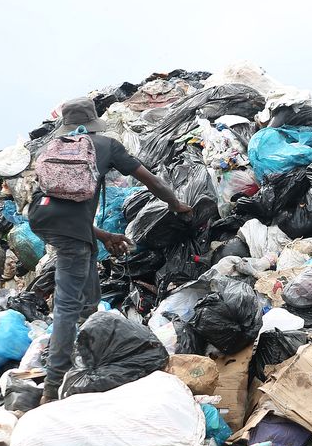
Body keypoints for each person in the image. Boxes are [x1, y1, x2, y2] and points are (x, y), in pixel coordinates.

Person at [29, 97, 192, 402]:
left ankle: (89, 346)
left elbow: (64, 211)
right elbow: (151, 181)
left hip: (42, 216)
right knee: (66, 304)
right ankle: (52, 386)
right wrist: (176, 204)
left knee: (87, 274)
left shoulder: (52, 146)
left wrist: (103, 236)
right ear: (93, 122)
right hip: (70, 228)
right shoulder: (106, 145)